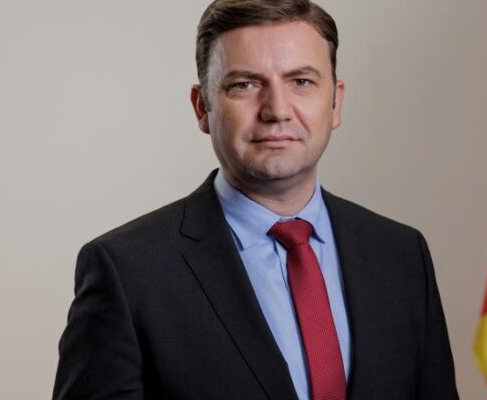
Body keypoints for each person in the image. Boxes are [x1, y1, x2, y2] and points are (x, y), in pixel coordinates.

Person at [52, 1, 459, 399]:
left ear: (336, 102)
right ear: (202, 107)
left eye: (301, 81)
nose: (277, 110)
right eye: (244, 84)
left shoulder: (402, 255)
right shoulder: (128, 272)